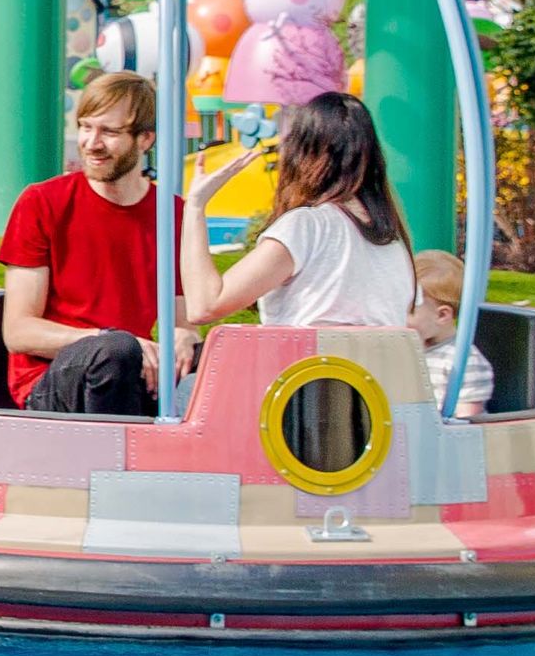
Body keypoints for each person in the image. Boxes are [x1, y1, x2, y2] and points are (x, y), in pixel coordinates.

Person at [0, 69, 203, 417]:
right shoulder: (42, 202)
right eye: (87, 127)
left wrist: (184, 337)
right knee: (115, 351)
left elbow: (183, 319)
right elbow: (18, 331)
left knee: (212, 354)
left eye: (109, 132)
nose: (92, 143)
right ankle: (111, 466)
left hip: (133, 369)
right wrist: (106, 338)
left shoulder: (173, 214)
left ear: (145, 139)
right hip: (51, 378)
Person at [177, 91, 417, 351]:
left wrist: (195, 206)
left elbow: (205, 305)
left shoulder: (307, 227)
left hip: (309, 384)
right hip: (379, 386)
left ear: (301, 152)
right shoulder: (394, 241)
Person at [411, 250, 497, 417]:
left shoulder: (464, 362)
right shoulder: (408, 351)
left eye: (409, 311)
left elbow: (466, 423)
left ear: (441, 315)